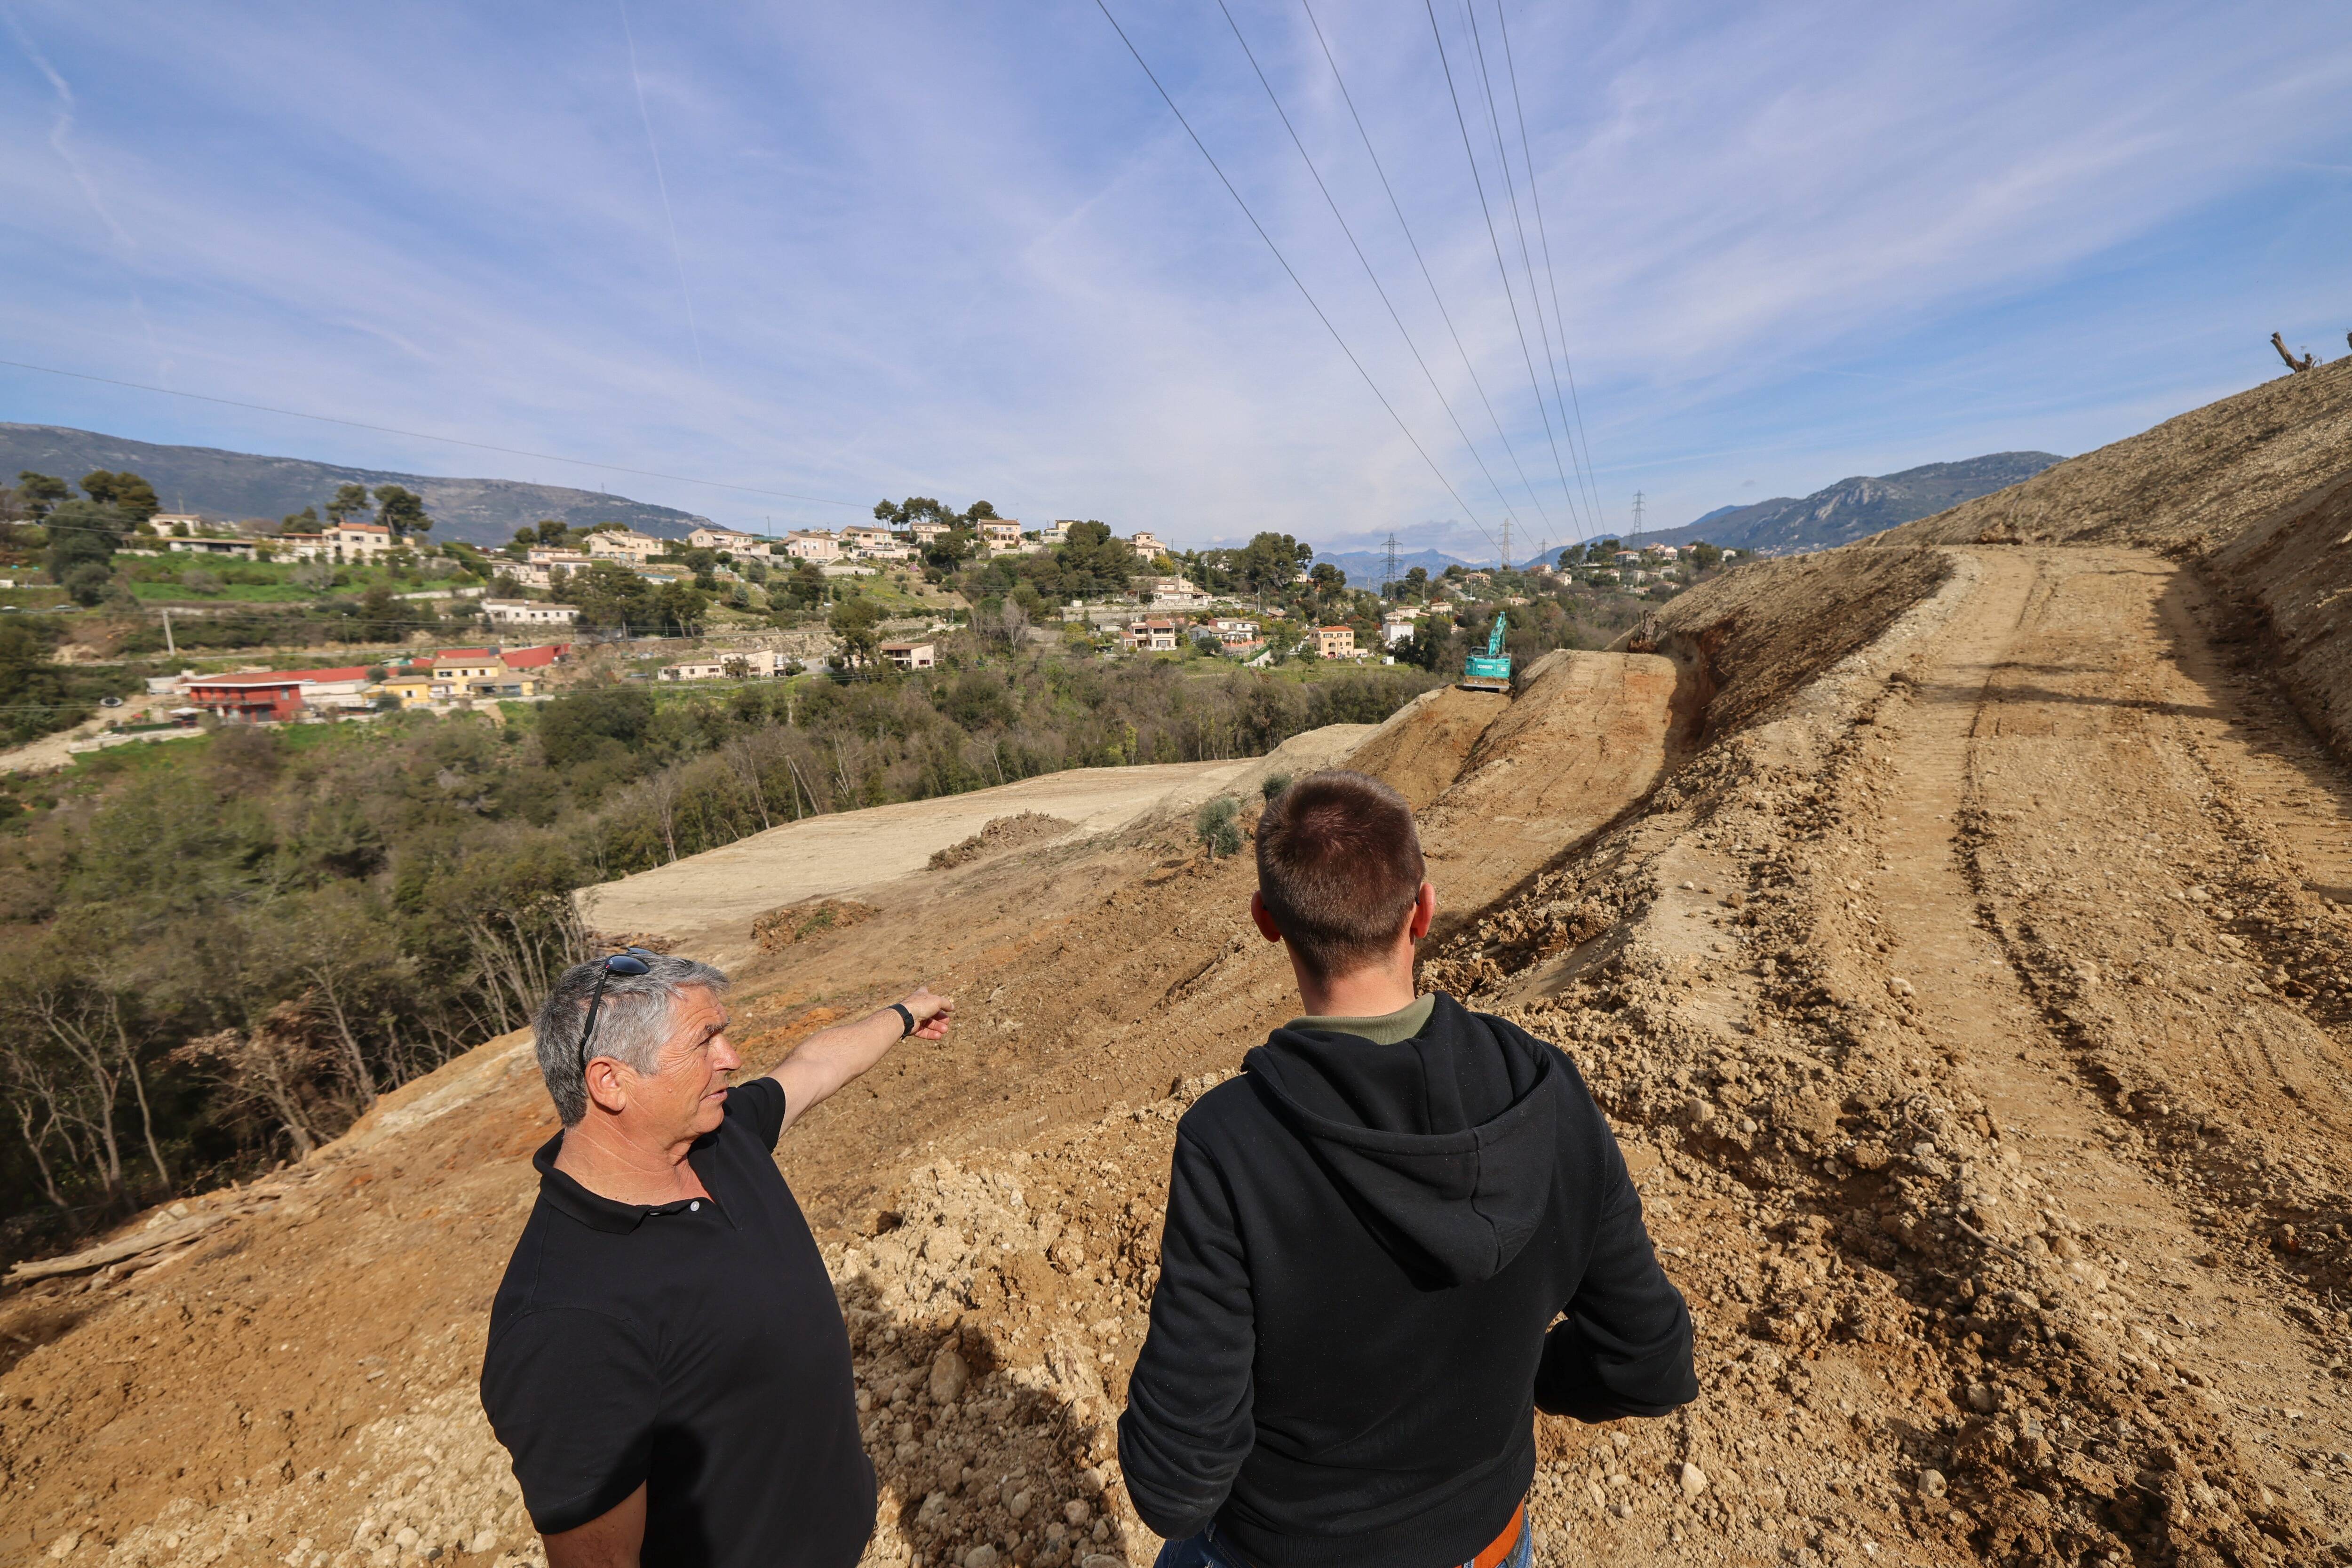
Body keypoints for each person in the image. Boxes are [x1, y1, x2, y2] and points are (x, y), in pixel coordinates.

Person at [1118, 771, 1696, 1568]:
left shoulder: (1230, 1142)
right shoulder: (1547, 1090)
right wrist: (1520, 1372)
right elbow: (1651, 1360)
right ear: (1423, 908)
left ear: (1266, 922)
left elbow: (1175, 1485)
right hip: (1486, 1547)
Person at [480, 947, 952, 1568]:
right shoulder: (565, 1320)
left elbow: (815, 1066)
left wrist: (905, 1014)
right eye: (704, 1042)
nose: (731, 1057)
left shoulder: (717, 1136)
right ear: (610, 1082)